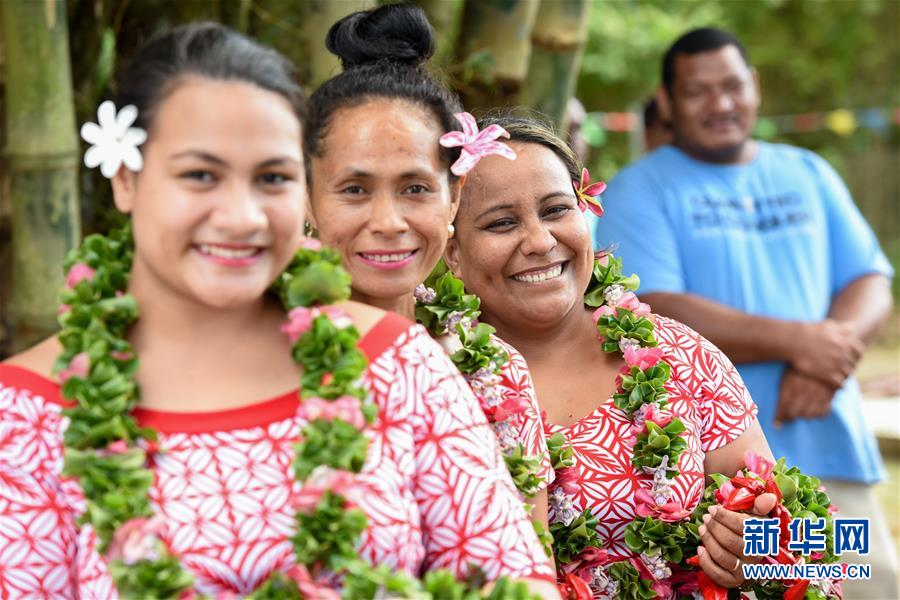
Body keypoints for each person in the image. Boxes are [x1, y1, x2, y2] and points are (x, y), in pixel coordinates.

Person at [0, 23, 556, 598]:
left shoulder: (396, 366)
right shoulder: (27, 411)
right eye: (200, 176)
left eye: (271, 177)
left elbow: (515, 583)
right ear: (125, 177)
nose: (242, 216)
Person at [595, 27, 896, 598]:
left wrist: (824, 359)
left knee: (861, 585)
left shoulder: (807, 171)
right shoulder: (639, 190)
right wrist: (802, 344)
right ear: (666, 102)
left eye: (733, 86)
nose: (721, 103)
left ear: (754, 86)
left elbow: (869, 277)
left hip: (828, 442)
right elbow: (654, 308)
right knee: (774, 589)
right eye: (698, 91)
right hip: (721, 479)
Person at [445, 114, 781, 597]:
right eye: (501, 223)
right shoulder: (434, 377)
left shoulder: (681, 355)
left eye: (556, 210)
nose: (540, 241)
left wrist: (755, 551)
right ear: (452, 251)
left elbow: (788, 529)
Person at [305, 3, 554, 527]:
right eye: (354, 190)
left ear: (454, 198)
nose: (390, 222)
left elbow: (529, 562)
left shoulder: (496, 374)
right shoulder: (251, 352)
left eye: (416, 189)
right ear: (307, 198)